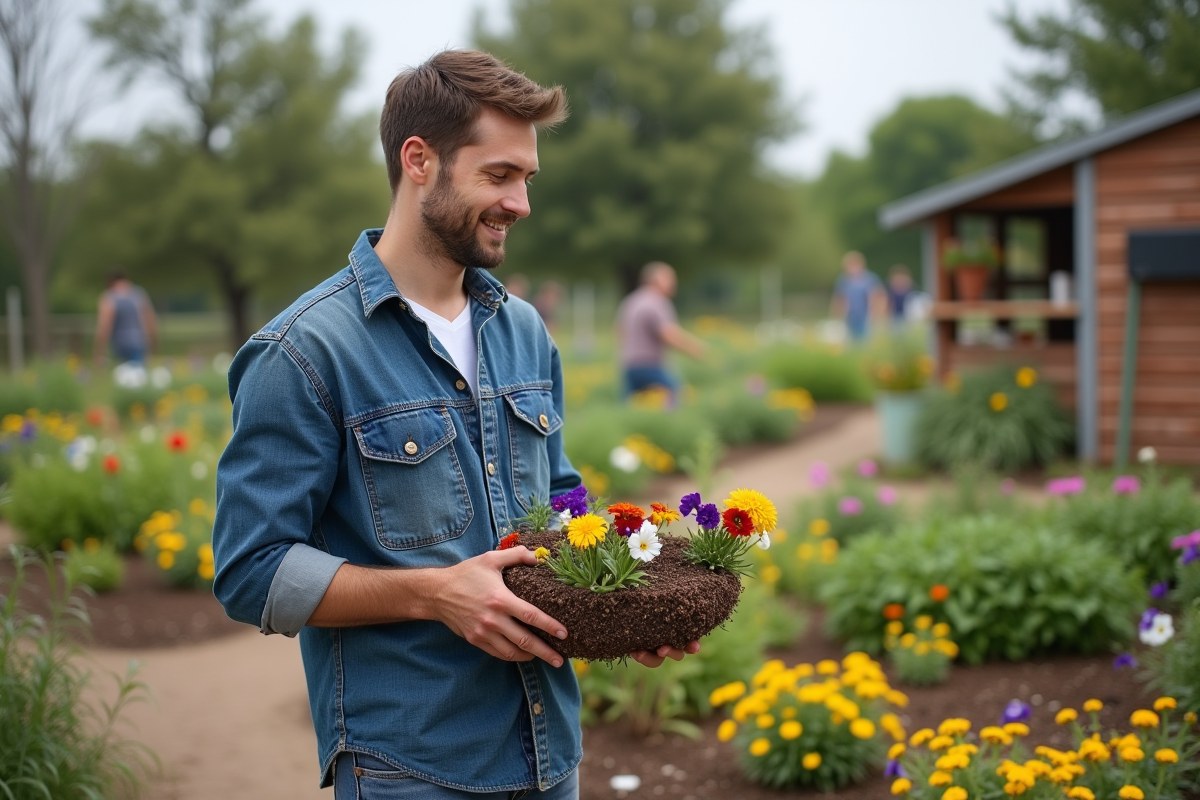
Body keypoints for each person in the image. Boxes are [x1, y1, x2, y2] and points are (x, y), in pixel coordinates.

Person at [212, 50, 698, 800]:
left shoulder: (525, 330)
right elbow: (251, 571)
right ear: (419, 161)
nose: (522, 203)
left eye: (527, 179)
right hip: (409, 765)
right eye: (499, 176)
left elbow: (559, 506)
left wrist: (626, 602)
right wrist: (434, 592)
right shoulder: (303, 351)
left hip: (551, 753)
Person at [615, 261, 706, 403]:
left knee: (633, 407)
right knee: (676, 398)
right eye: (669, 278)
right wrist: (694, 349)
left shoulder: (631, 301)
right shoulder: (657, 302)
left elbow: (620, 331)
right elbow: (668, 334)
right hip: (651, 364)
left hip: (629, 365)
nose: (674, 283)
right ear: (656, 280)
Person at [93, 271, 158, 365]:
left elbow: (104, 327)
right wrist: (152, 346)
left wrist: (99, 353)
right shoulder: (139, 294)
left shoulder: (109, 297)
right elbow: (151, 321)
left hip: (119, 345)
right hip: (139, 342)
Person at [830, 251, 885, 343]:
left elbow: (879, 297)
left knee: (866, 341)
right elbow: (839, 299)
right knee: (851, 342)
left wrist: (878, 315)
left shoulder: (870, 279)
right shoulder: (843, 280)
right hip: (849, 317)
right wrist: (835, 316)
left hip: (867, 317)